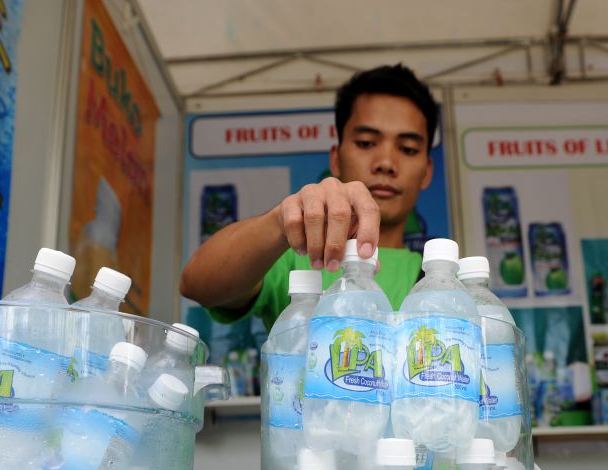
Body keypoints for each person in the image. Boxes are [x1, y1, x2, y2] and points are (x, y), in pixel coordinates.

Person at [180, 64, 440, 329]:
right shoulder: (297, 255)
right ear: (335, 159)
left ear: (427, 172)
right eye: (366, 143)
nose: (386, 162)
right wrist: (280, 221)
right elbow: (197, 284)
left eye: (407, 148)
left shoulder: (443, 282)